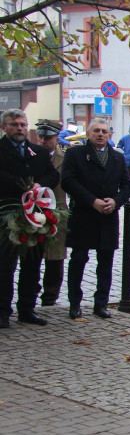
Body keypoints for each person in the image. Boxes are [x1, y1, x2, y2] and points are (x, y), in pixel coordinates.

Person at [61, 118, 130, 319]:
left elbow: (127, 186)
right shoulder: (75, 154)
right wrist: (92, 201)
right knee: (79, 259)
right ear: (88, 134)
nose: (100, 134)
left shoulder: (117, 157)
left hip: (107, 217)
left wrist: (116, 201)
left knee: (106, 262)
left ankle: (101, 303)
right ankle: (74, 303)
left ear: (109, 135)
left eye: (104, 131)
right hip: (83, 214)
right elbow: (67, 181)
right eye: (96, 131)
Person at [0, 109, 60, 328]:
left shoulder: (39, 152)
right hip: (7, 214)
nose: (19, 128)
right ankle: (3, 311)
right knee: (5, 266)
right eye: (14, 124)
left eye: (23, 125)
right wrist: (24, 186)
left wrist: (39, 186)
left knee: (32, 264)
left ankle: (27, 308)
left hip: (35, 216)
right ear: (4, 127)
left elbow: (53, 175)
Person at [35, 120, 69, 307]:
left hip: (57, 212)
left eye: (47, 138)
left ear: (56, 139)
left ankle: (50, 296)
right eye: (40, 137)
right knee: (31, 255)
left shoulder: (64, 159)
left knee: (55, 257)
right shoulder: (31, 156)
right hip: (32, 212)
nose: (42, 141)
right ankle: (31, 293)